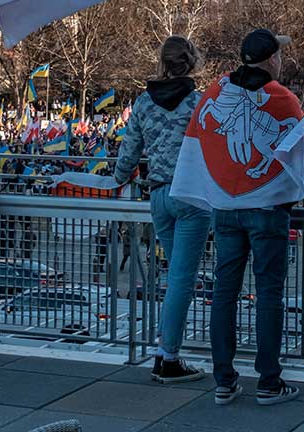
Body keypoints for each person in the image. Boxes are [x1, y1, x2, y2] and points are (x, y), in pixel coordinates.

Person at [170, 28, 304, 406]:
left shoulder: (216, 93)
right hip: (267, 212)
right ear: (271, 59)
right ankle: (268, 380)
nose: (282, 60)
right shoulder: (283, 99)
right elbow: (301, 159)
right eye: (279, 55)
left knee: (225, 294)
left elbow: (197, 145)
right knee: (268, 294)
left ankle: (224, 380)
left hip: (225, 210)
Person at [114, 36, 210, 384]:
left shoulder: (143, 103)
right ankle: (168, 357)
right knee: (182, 281)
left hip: (158, 197)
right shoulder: (200, 103)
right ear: (191, 63)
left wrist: (117, 178)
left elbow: (128, 153)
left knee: (175, 278)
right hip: (191, 197)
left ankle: (166, 352)